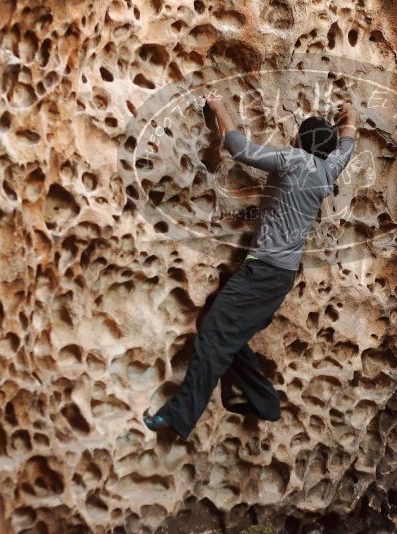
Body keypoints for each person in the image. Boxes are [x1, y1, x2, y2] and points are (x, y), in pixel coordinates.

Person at [144, 94, 358, 439]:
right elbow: (348, 142)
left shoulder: (293, 160)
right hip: (281, 276)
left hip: (261, 271)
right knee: (229, 336)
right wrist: (349, 115)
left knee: (213, 334)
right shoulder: (328, 170)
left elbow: (241, 149)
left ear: (301, 141)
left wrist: (218, 107)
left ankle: (179, 415)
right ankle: (265, 402)